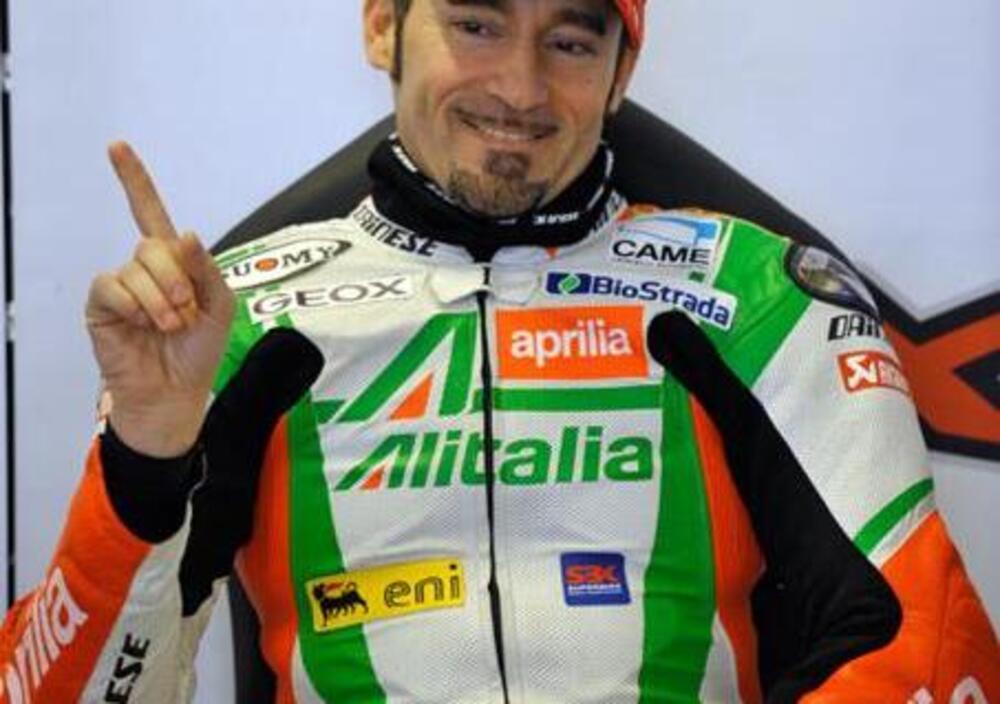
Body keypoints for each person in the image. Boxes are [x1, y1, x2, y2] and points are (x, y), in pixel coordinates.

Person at [1, 0, 997, 701]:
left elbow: (930, 649)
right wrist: (144, 459)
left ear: (622, 72)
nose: (520, 87)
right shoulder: (237, 318)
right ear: (382, 25)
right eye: (476, 23)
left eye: (569, 39)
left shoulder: (760, 298)